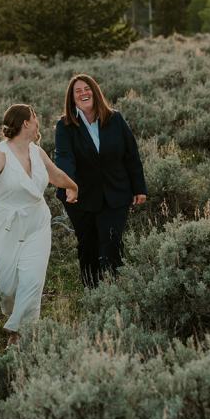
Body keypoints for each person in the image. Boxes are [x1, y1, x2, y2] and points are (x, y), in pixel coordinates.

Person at [0, 103, 78, 345]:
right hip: (4, 225)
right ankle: (16, 316)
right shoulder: (0, 154)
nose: (38, 124)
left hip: (36, 223)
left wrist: (72, 186)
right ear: (26, 123)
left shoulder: (37, 152)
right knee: (7, 285)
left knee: (32, 280)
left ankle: (19, 335)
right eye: (35, 119)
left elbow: (54, 174)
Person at [54, 74, 147, 288]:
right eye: (78, 91)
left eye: (87, 89)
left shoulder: (115, 119)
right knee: (88, 245)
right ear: (72, 99)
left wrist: (139, 187)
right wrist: (69, 185)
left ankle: (115, 289)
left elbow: (131, 155)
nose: (83, 93)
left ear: (95, 92)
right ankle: (92, 292)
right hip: (80, 197)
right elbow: (64, 157)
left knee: (111, 242)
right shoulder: (65, 125)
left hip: (116, 193)